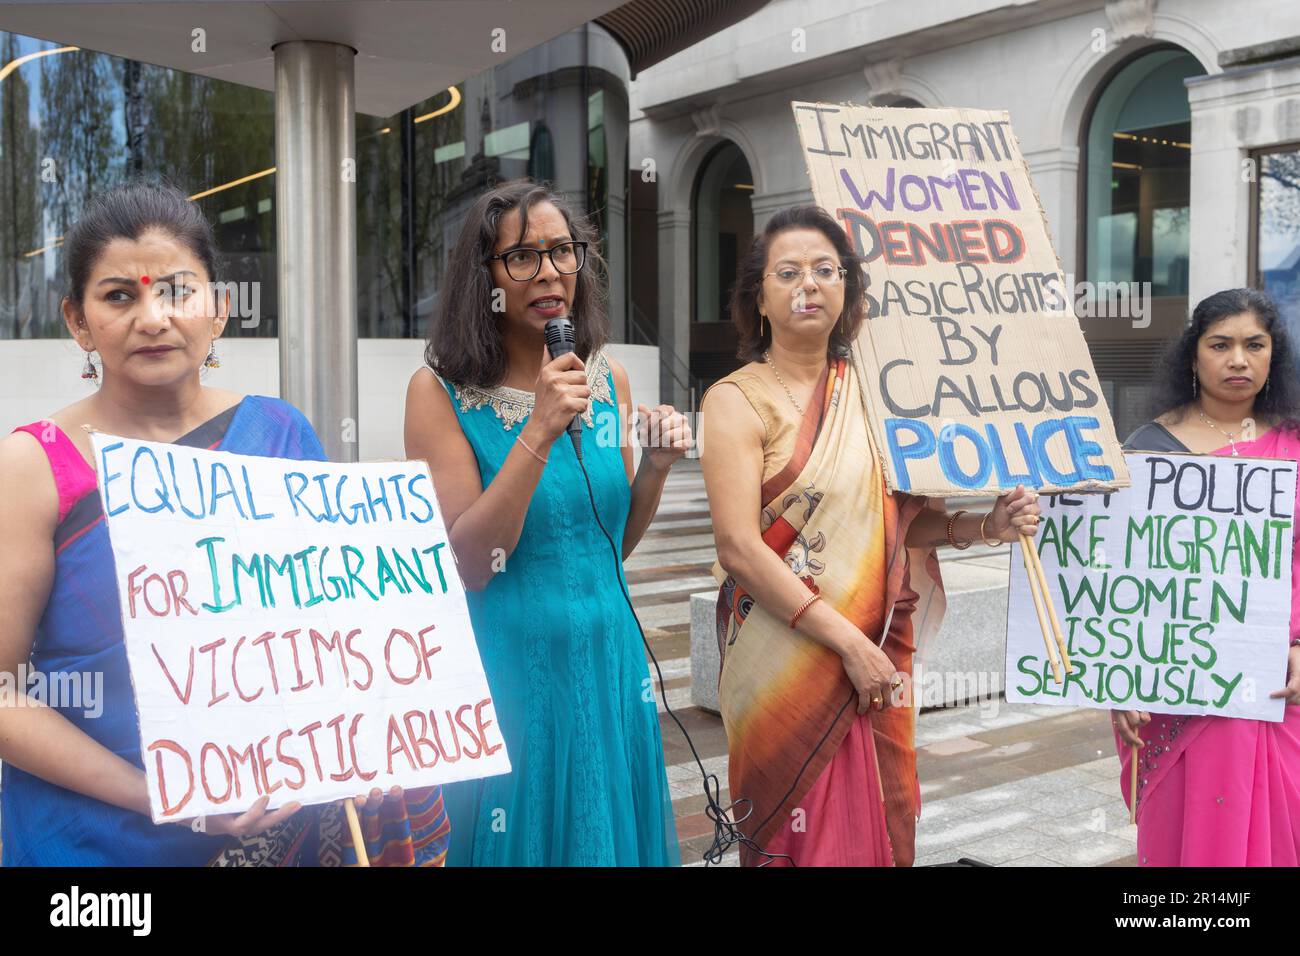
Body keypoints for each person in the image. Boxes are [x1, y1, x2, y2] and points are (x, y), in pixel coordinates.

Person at [0, 181, 447, 866]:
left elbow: (333, 635)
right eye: (120, 295)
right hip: (95, 848)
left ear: (220, 310)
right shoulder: (35, 467)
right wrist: (164, 794)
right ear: (78, 321)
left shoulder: (278, 433)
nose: (153, 317)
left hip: (285, 826)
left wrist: (366, 739)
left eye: (178, 290)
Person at [699, 204, 1042, 867]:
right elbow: (738, 548)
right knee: (797, 828)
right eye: (788, 271)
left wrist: (987, 525)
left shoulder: (886, 396)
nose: (810, 283)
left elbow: (906, 525)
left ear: (849, 291)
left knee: (884, 821)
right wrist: (849, 643)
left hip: (878, 653)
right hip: (782, 655)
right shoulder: (735, 400)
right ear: (759, 298)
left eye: (827, 270)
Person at [405, 179, 690, 866]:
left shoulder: (607, 379)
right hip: (513, 676)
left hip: (610, 661)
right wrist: (537, 429)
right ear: (485, 277)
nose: (551, 272)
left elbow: (607, 543)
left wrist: (652, 469)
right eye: (522, 257)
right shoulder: (439, 393)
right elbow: (470, 562)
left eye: (563, 250)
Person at [1115, 287, 1300, 866]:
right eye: (1220, 345)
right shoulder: (1149, 450)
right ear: (1193, 356)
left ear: (1274, 356)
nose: (1238, 360)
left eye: (1254, 345)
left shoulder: (1293, 443)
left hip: (1279, 678)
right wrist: (1116, 677)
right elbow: (1116, 574)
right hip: (1176, 681)